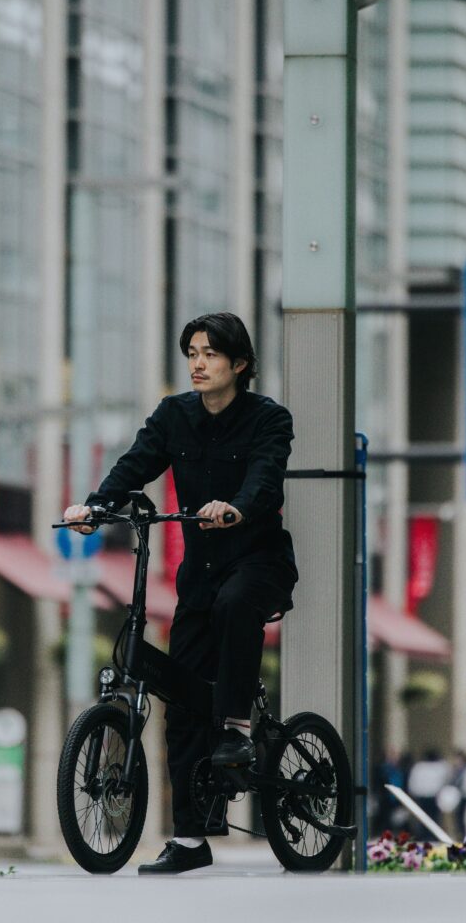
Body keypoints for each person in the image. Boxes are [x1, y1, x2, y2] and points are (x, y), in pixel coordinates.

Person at [63, 311, 297, 876]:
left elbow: (264, 479)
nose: (197, 362)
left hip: (257, 563)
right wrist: (96, 505)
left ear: (239, 364)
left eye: (211, 353)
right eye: (191, 351)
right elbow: (136, 463)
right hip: (200, 573)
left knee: (236, 604)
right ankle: (191, 838)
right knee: (183, 705)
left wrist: (236, 506)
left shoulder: (269, 419)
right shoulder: (174, 415)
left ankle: (239, 725)